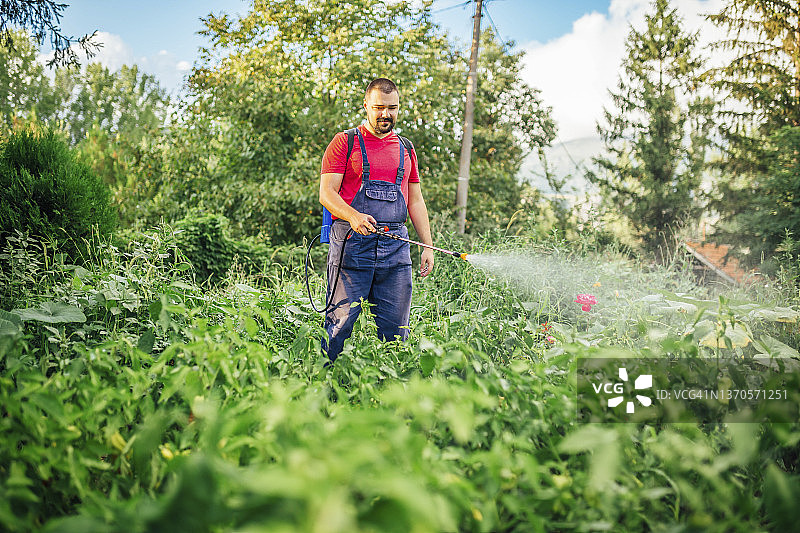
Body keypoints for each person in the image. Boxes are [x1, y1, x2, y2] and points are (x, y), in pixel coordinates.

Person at [319, 77, 434, 362]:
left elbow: (416, 201)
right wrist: (353, 215)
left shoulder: (406, 149)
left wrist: (427, 245)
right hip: (351, 249)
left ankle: (389, 393)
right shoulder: (345, 142)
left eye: (392, 108)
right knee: (338, 327)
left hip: (395, 254)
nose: (386, 114)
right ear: (366, 105)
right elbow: (326, 194)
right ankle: (323, 384)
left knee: (397, 333)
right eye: (379, 107)